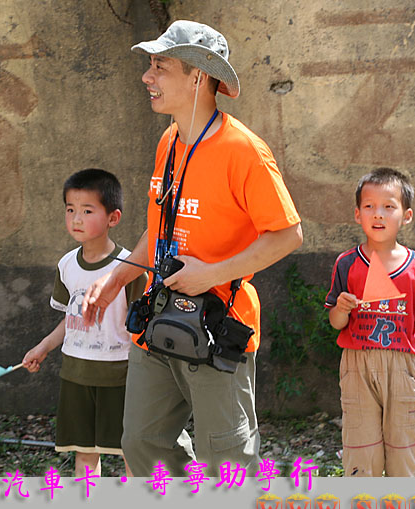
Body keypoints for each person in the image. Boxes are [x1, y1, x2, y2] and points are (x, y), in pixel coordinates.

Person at [81, 20, 302, 477]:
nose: (147, 77)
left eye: (160, 66)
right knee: (142, 442)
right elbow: (160, 229)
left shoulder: (244, 150)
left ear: (198, 76)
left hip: (219, 325)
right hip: (160, 316)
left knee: (227, 458)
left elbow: (288, 235)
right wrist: (116, 278)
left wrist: (212, 273)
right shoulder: (169, 142)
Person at [22, 168, 146, 477]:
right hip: (76, 374)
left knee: (131, 452)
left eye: (87, 210)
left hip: (120, 376)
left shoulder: (130, 268)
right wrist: (43, 346)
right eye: (70, 210)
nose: (76, 219)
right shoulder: (66, 265)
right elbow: (70, 318)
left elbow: (143, 326)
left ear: (112, 218)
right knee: (85, 454)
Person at [325, 168, 415, 477]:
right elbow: (336, 323)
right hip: (357, 366)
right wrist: (341, 308)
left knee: (404, 454)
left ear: (406, 215)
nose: (378, 214)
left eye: (389, 206)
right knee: (361, 454)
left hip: (404, 368)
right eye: (369, 206)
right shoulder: (347, 264)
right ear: (357, 214)